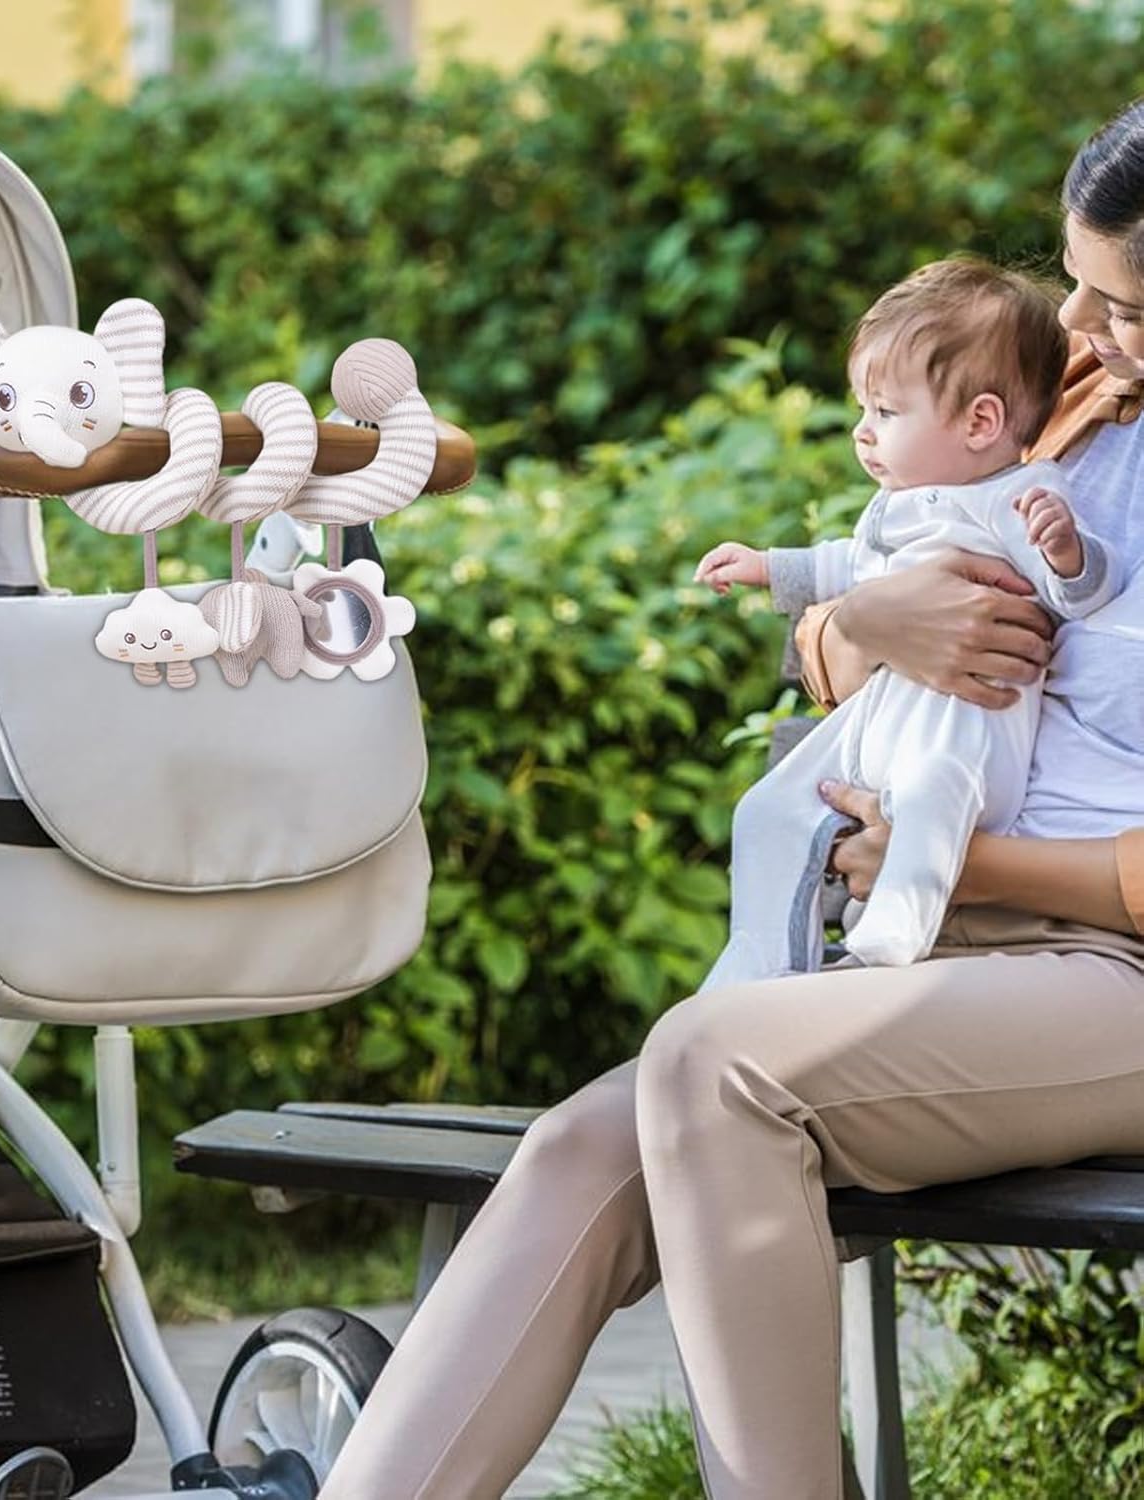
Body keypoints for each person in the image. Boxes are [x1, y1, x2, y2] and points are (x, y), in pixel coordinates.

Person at [316, 97, 1144, 1500]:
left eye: (1119, 303)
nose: (1076, 323)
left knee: (710, 1066)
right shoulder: (1075, 399)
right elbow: (861, 620)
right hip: (934, 940)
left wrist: (967, 867)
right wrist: (867, 622)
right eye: (1077, 284)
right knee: (584, 1147)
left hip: (1102, 968)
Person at [694, 259, 1116, 986]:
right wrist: (767, 566)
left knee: (929, 793)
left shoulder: (1021, 495)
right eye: (864, 410)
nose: (863, 434)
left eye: (885, 413)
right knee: (767, 809)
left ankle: (892, 938)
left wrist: (1067, 554)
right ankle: (758, 954)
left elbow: (1076, 594)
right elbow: (849, 565)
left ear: (981, 422)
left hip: (966, 727)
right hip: (887, 714)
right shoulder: (902, 504)